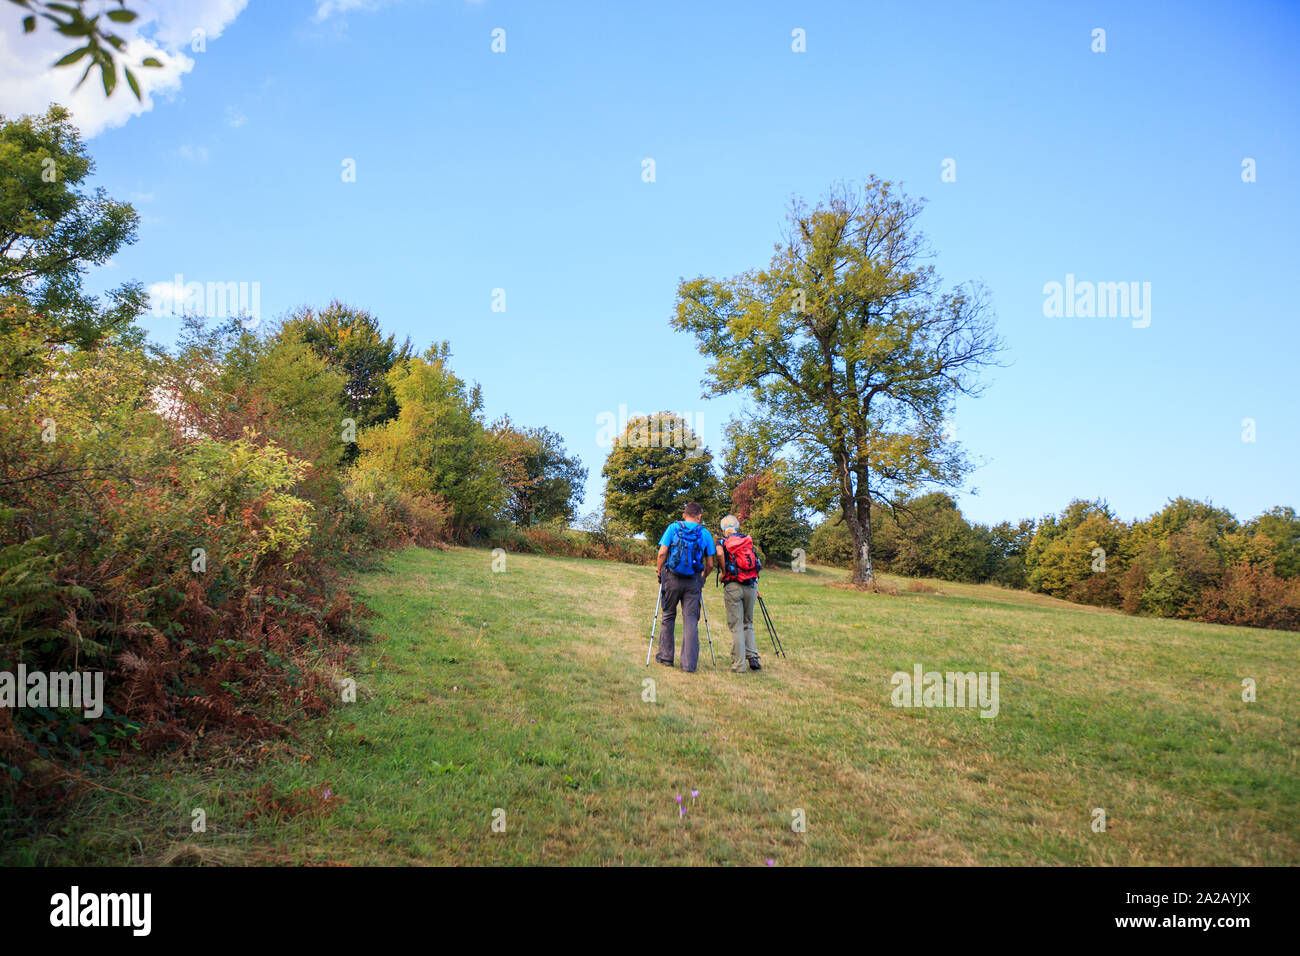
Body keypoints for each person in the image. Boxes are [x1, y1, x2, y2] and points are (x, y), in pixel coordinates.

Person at [654, 502, 715, 672]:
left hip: (672, 577)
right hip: (693, 580)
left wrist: (660, 573)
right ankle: (688, 665)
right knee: (690, 621)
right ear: (699, 516)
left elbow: (661, 553)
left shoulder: (673, 528)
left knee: (668, 615)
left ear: (684, 514)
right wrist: (703, 578)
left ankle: (666, 657)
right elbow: (710, 563)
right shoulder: (705, 533)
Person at [716, 513, 761, 672]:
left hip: (733, 585)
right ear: (737, 526)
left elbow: (720, 553)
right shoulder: (746, 540)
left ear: (723, 528)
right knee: (748, 622)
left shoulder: (722, 541)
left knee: (736, 626)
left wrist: (723, 571)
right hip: (750, 584)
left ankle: (739, 665)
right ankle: (753, 657)